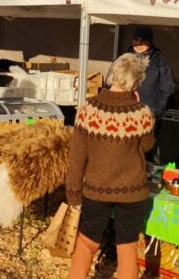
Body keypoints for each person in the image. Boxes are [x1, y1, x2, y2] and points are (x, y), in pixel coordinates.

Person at [66, 53, 156, 279]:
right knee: (127, 248)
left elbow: (77, 157)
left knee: (86, 243)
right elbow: (147, 145)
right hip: (133, 191)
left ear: (113, 75)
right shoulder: (142, 112)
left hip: (96, 189)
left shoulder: (88, 109)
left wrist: (74, 194)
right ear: (136, 81)